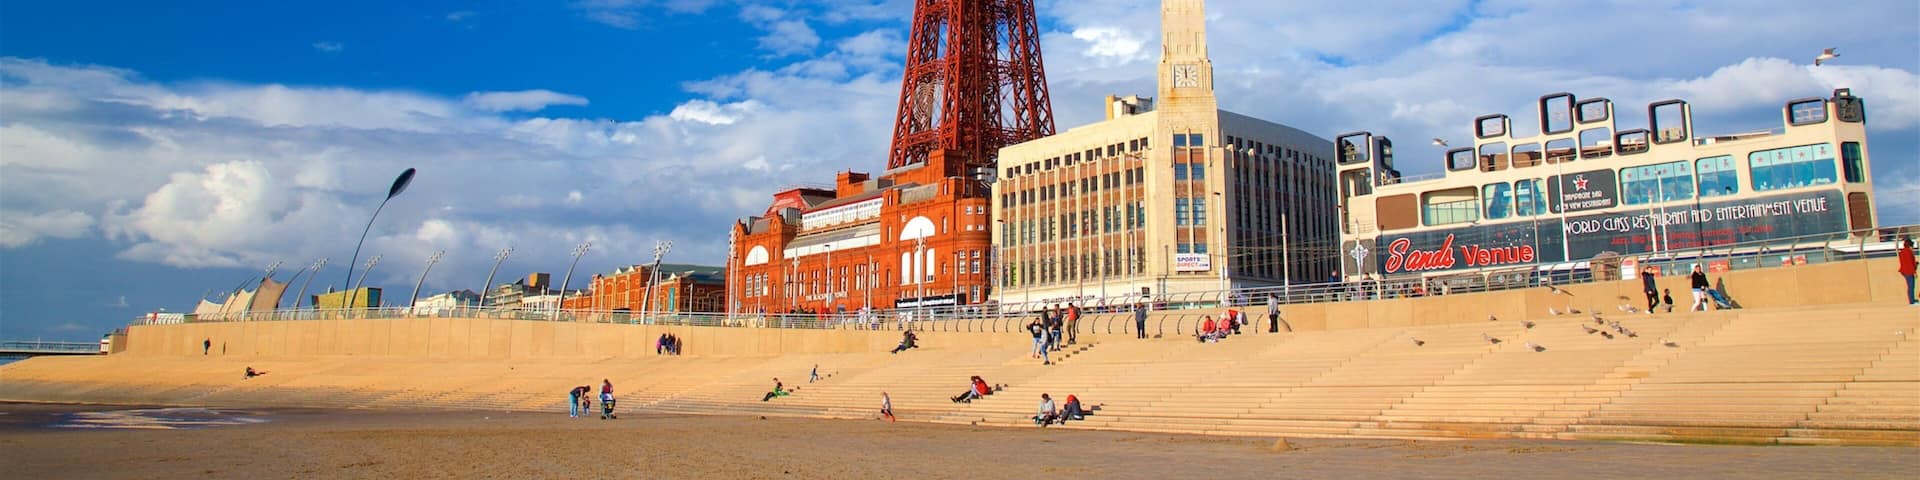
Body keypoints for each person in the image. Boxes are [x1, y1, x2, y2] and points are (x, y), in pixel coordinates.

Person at [1899, 238, 1916, 305]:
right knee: (1911, 286)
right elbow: (1909, 263)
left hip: (1905, 271)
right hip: (1909, 271)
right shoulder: (1908, 252)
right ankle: (1912, 301)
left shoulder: (1902, 252)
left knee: (1910, 286)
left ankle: (1912, 300)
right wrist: (1914, 272)